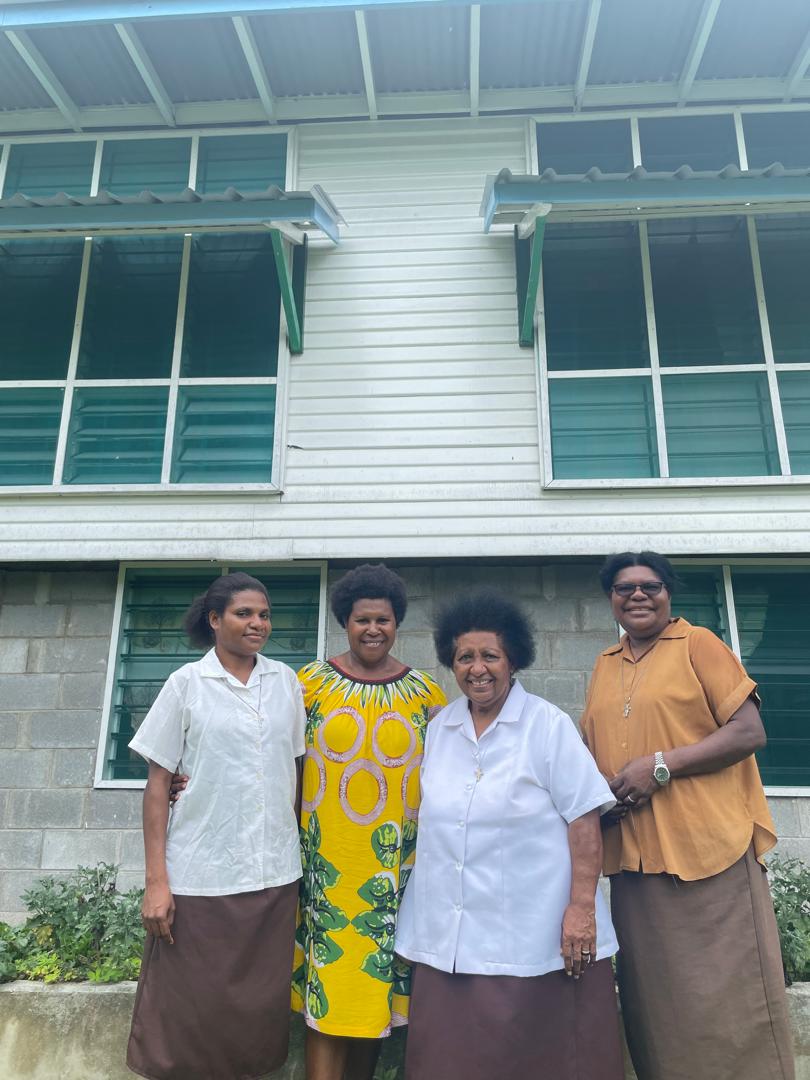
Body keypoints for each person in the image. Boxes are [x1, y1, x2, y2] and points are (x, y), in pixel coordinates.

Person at [581, 551, 795, 1080]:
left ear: (668, 593)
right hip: (634, 857)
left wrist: (660, 766)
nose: (636, 595)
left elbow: (748, 732)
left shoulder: (698, 643)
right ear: (610, 598)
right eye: (623, 587)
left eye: (649, 586)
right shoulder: (605, 663)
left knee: (726, 995)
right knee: (657, 1001)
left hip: (707, 849)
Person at [395, 589, 625, 1080]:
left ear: (513, 659)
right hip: (450, 932)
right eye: (464, 657)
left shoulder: (547, 726)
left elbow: (585, 820)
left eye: (489, 656)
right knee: (452, 1058)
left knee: (540, 1055)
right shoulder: (440, 730)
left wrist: (581, 909)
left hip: (535, 928)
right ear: (450, 664)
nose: (477, 668)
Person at [126, 572, 306, 1080]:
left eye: (264, 614)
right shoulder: (186, 684)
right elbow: (159, 784)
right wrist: (156, 882)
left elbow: (292, 771)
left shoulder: (285, 683)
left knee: (255, 1014)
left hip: (272, 874)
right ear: (214, 620)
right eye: (243, 613)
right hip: (200, 872)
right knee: (190, 1012)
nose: (257, 623)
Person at [293, 563, 446, 1080]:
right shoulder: (310, 683)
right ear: (345, 622)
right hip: (325, 868)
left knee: (377, 990)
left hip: (394, 872)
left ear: (397, 623)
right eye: (362, 620)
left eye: (383, 619)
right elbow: (274, 757)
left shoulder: (425, 694)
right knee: (329, 985)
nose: (373, 629)